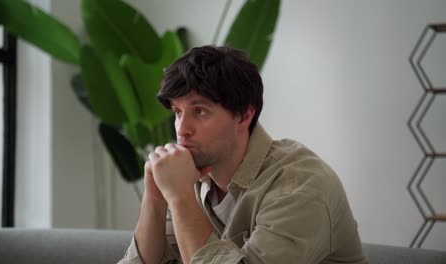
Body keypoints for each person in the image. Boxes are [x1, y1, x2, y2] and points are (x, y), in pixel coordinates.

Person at [118, 46, 368, 264]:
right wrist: (154, 198)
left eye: (200, 111)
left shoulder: (301, 187)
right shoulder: (192, 177)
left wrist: (180, 197)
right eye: (178, 112)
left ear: (244, 115)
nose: (182, 130)